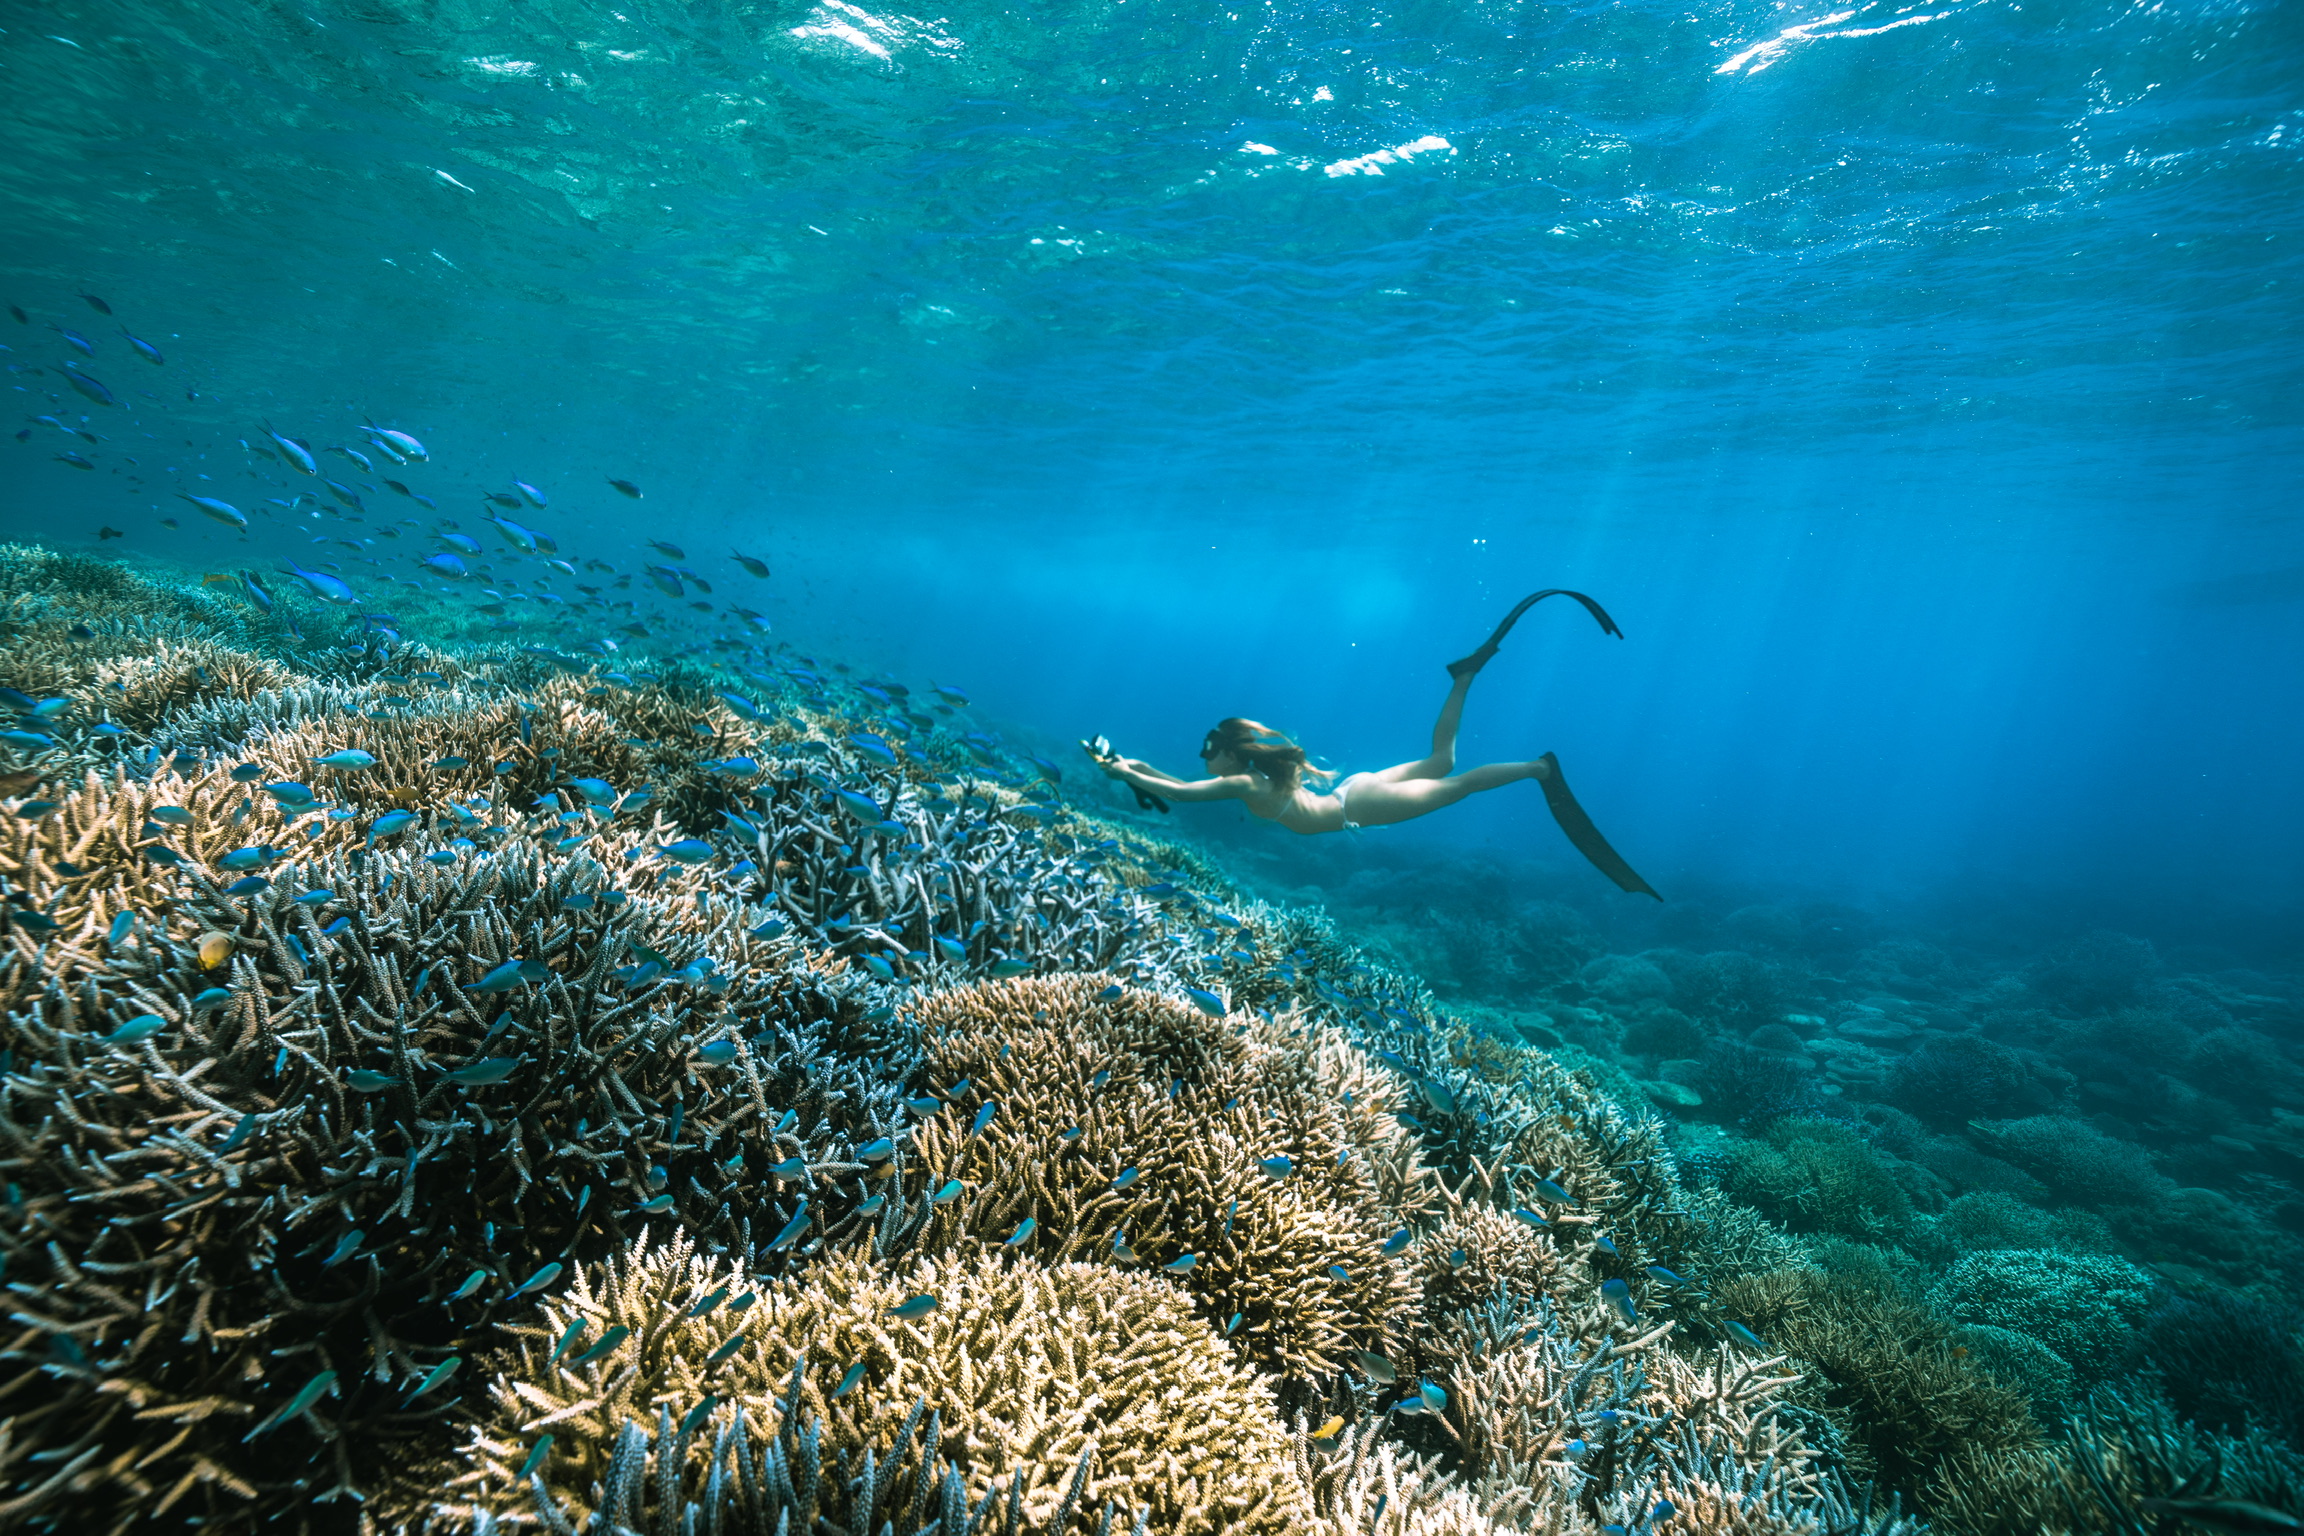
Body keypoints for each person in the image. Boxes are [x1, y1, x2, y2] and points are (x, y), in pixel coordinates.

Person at [1087, 590, 1661, 898]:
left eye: (1207, 748)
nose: (1203, 758)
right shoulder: (1253, 777)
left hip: (1356, 807)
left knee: (1455, 783)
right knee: (1442, 760)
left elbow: (1184, 794)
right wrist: (1127, 764)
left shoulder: (1241, 781)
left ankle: (1539, 767)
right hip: (1350, 795)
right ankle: (1463, 677)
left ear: (1232, 753)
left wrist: (1125, 774)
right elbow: (1178, 783)